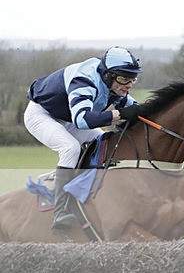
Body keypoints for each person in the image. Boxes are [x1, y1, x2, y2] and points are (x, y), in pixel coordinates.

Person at [24, 46, 144, 233]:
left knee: (103, 142)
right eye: (123, 78)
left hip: (67, 118)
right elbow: (82, 120)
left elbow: (138, 109)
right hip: (41, 115)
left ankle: (90, 193)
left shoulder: (114, 84)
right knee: (70, 148)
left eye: (132, 79)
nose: (128, 84)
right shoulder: (84, 79)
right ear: (108, 75)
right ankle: (59, 211)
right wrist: (118, 114)